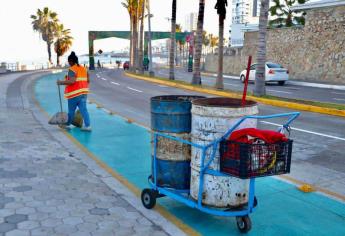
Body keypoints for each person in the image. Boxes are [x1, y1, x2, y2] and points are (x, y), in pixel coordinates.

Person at [57, 51, 91, 131]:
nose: (69, 63)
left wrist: (60, 82)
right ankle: (87, 126)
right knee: (84, 110)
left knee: (71, 111)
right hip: (84, 93)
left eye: (69, 62)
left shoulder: (72, 69)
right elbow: (88, 80)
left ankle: (68, 125)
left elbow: (72, 81)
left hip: (74, 94)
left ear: (71, 61)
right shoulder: (83, 69)